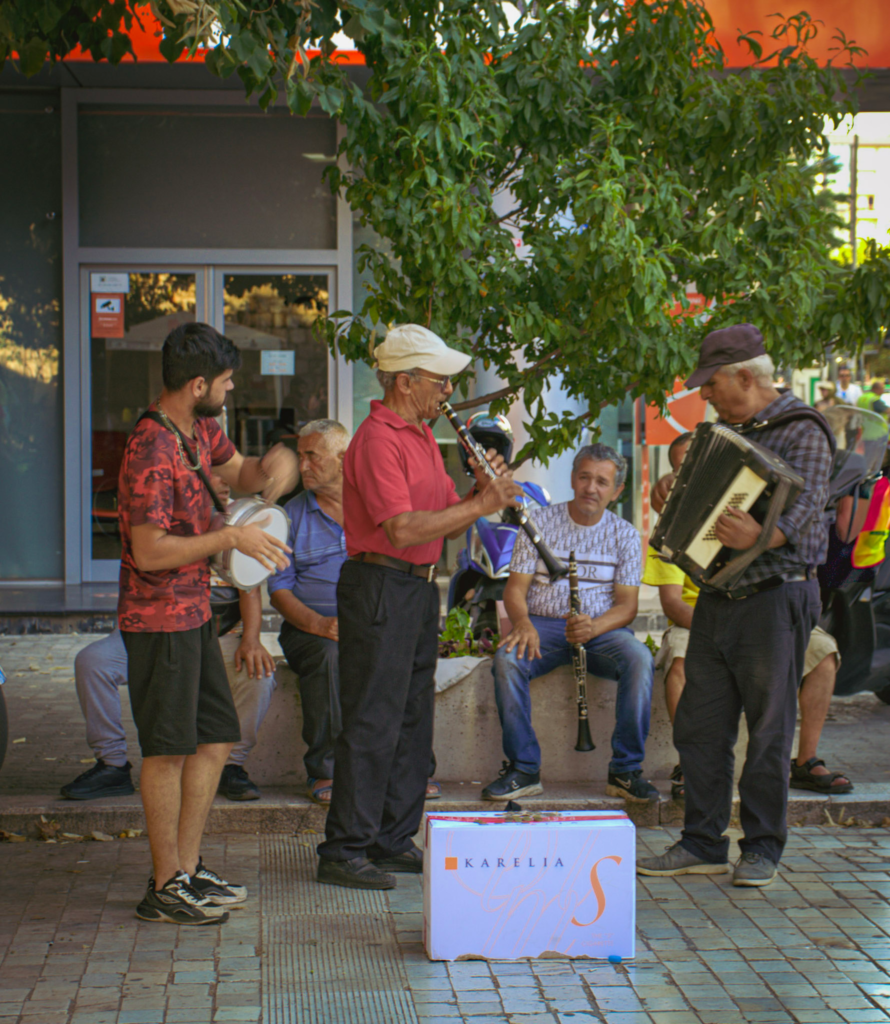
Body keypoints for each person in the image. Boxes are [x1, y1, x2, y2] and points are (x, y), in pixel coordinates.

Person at [316, 323, 523, 890]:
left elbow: (437, 515)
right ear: (405, 382)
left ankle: (390, 837)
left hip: (414, 587)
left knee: (411, 717)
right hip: (380, 583)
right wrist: (479, 501)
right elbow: (403, 528)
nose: (447, 393)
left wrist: (474, 495)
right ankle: (344, 848)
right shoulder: (378, 438)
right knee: (373, 718)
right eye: (439, 382)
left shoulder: (420, 435)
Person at [637, 324, 831, 888]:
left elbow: (806, 516)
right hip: (718, 596)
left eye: (712, 384)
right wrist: (671, 485)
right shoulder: (719, 431)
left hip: (775, 597)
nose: (705, 396)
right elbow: (696, 494)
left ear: (746, 376)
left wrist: (760, 536)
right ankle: (702, 841)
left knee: (769, 729)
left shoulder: (804, 430)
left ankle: (763, 847)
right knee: (700, 726)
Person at [118, 321, 298, 925]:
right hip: (158, 620)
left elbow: (246, 474)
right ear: (197, 384)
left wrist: (283, 462)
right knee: (167, 751)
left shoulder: (200, 429)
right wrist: (230, 535)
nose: (229, 389)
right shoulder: (151, 448)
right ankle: (164, 884)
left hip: (193, 612)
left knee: (216, 736)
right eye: (224, 381)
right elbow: (148, 551)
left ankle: (186, 871)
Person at [645, 433, 851, 802]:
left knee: (824, 651)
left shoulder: (749, 514)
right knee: (679, 660)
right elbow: (673, 606)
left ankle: (805, 761)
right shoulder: (671, 530)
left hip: (759, 616)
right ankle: (688, 764)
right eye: (679, 471)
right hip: (698, 622)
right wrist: (721, 628)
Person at [60, 477, 277, 804]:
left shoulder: (237, 525)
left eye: (224, 479)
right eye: (209, 476)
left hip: (215, 636)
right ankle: (112, 764)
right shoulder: (162, 523)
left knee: (260, 675)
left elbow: (250, 589)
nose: (220, 484)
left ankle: (230, 766)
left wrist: (251, 639)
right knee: (93, 662)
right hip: (152, 631)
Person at [481, 444, 657, 804]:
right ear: (573, 479)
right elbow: (515, 590)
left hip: (601, 631)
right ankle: (524, 768)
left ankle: (625, 770)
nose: (591, 488)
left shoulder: (624, 535)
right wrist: (523, 623)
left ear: (617, 490)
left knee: (639, 659)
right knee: (507, 661)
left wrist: (593, 627)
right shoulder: (540, 523)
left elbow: (627, 606)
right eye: (584, 477)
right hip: (543, 627)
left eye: (602, 482)